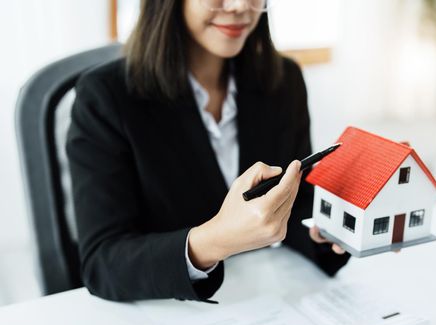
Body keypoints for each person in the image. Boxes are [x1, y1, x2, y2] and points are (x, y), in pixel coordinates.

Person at [66, 0, 350, 303]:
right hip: (165, 311)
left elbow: (295, 207)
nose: (241, 6)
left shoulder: (284, 80)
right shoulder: (104, 96)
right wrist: (214, 241)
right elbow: (103, 262)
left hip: (263, 297)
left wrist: (329, 228)